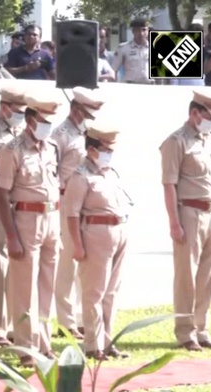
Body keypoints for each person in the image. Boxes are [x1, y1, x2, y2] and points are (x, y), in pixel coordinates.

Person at [0, 93, 62, 367]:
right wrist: (11, 235)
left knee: (47, 287)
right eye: (43, 120)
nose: (47, 126)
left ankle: (44, 344)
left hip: (51, 217)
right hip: (25, 218)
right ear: (31, 119)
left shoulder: (51, 147)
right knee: (24, 288)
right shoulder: (13, 149)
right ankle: (26, 348)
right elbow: (1, 194)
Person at [159, 90, 211, 351]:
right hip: (190, 213)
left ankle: (202, 328)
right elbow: (169, 184)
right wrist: (174, 223)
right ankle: (186, 332)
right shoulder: (176, 141)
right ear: (194, 113)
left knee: (208, 276)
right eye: (208, 115)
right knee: (186, 276)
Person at [63, 121, 133, 361]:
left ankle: (108, 341)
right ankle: (93, 345)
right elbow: (71, 214)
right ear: (92, 149)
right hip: (96, 233)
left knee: (111, 292)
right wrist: (78, 245)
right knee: (94, 291)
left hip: (119, 229)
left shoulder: (110, 173)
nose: (109, 154)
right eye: (105, 149)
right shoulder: (81, 176)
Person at [53, 87, 105, 340]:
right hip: (67, 201)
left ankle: (85, 319)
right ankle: (66, 320)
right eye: (87, 114)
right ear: (76, 110)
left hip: (89, 205)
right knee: (67, 262)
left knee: (86, 264)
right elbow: (52, 171)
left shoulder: (90, 134)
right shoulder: (60, 135)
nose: (90, 119)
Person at [0, 85, 29, 348]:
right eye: (18, 111)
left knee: (18, 267)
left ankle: (17, 325)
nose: (21, 117)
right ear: (5, 108)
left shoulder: (23, 132)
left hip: (21, 205)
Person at [112, 18, 152, 84]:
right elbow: (114, 70)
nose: (141, 33)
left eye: (144, 30)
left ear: (148, 31)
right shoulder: (124, 48)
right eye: (138, 30)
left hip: (151, 86)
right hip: (131, 86)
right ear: (133, 31)